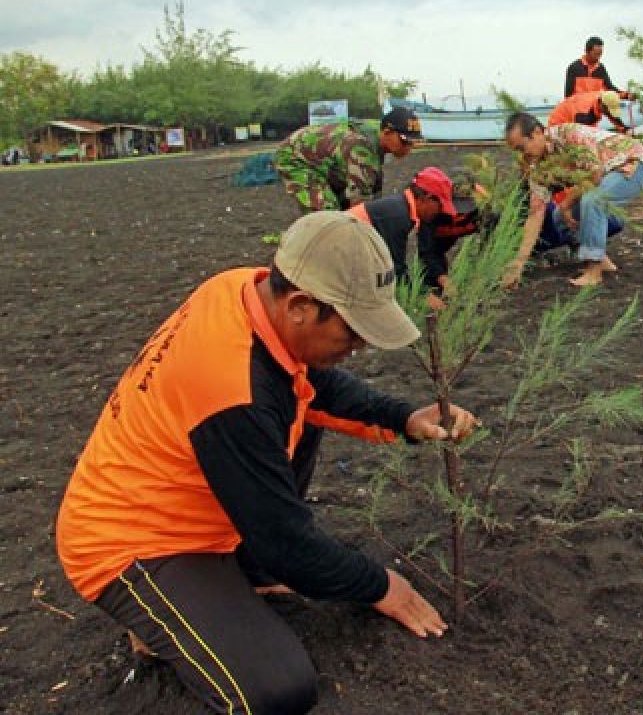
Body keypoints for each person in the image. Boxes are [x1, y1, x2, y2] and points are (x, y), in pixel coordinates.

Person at [56, 211, 479, 715]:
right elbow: (290, 546)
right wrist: (381, 585)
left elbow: (308, 385)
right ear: (300, 305)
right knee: (278, 691)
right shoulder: (233, 392)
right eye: (353, 332)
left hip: (194, 494)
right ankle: (157, 616)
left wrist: (403, 418)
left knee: (298, 409)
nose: (360, 347)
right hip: (131, 541)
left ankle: (238, 573)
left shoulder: (242, 289)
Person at [503, 112, 643, 287]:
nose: (523, 154)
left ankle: (594, 270)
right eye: (517, 151)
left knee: (593, 200)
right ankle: (603, 260)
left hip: (632, 163)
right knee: (559, 219)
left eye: (522, 148)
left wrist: (567, 203)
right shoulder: (538, 168)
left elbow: (595, 175)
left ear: (537, 132)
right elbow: (536, 213)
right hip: (605, 176)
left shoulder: (569, 135)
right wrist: (519, 263)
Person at [346, 166, 460, 310]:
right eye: (440, 206)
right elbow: (394, 269)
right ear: (427, 198)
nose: (440, 212)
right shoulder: (398, 216)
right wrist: (423, 296)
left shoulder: (401, 207)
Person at [275, 106, 424, 214]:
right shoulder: (362, 149)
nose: (408, 148)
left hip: (328, 161)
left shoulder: (377, 133)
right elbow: (361, 203)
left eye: (412, 143)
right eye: (405, 142)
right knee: (328, 217)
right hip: (296, 159)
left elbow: (373, 188)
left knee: (346, 207)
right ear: (387, 132)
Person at [547, 89, 628, 132]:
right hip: (557, 125)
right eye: (608, 110)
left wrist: (624, 129)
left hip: (577, 119)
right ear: (602, 105)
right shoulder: (583, 113)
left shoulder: (604, 97)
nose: (609, 114)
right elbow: (580, 133)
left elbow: (611, 115)